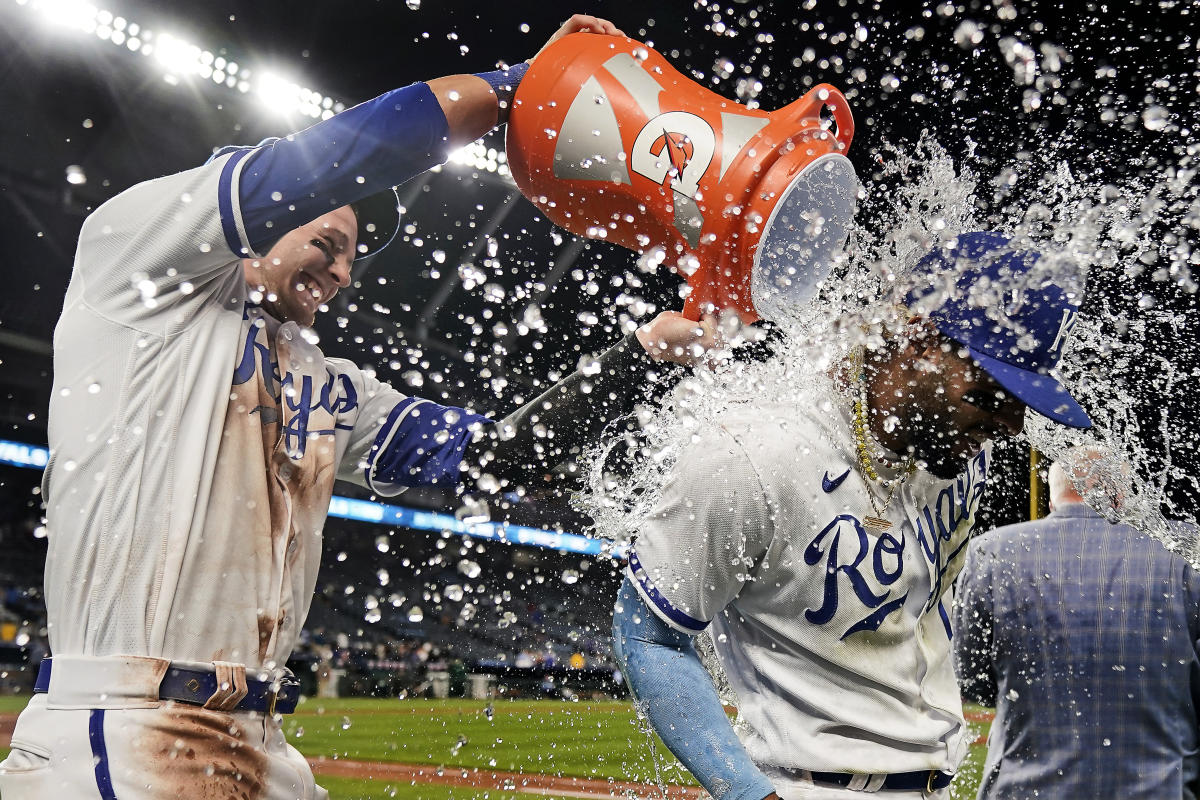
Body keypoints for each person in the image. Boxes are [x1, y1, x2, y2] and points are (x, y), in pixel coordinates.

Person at [0, 13, 718, 800]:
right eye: (330, 240)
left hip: (262, 742)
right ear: (255, 220)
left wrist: (645, 352)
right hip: (122, 729)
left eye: (352, 257)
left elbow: (502, 457)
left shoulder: (332, 382)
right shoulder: (138, 263)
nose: (343, 272)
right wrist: (525, 85)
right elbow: (342, 154)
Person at [611, 231, 1094, 800]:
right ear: (916, 339)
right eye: (990, 395)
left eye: (1023, 402)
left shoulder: (959, 447)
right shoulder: (753, 453)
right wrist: (746, 794)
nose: (1007, 426)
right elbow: (646, 637)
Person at [953, 449, 1200, 799]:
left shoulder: (991, 553)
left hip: (1025, 789)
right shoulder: (1183, 550)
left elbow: (971, 679)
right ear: (1122, 497)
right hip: (1154, 789)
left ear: (1052, 500)